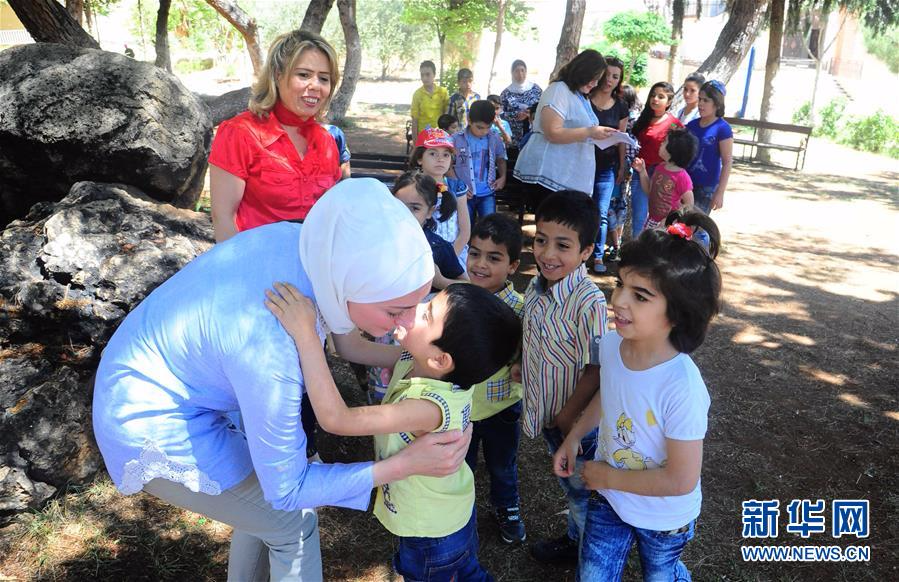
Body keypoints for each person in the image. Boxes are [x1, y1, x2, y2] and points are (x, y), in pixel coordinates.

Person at [91, 179, 473, 581]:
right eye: (397, 311)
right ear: (351, 286)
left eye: (417, 305)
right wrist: (401, 465)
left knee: (263, 513)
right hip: (150, 420)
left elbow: (347, 346)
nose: (408, 323)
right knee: (293, 524)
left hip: (157, 385)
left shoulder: (316, 248)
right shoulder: (272, 347)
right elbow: (288, 489)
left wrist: (423, 360)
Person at [266, 282, 521, 582]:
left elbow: (336, 419)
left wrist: (305, 333)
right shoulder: (420, 361)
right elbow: (352, 347)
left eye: (427, 314)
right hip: (449, 516)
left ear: (441, 360)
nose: (416, 306)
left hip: (432, 533)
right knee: (467, 573)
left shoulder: (428, 407)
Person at [553, 209, 722, 582]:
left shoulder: (682, 387)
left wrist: (608, 477)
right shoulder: (614, 345)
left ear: (678, 313)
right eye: (620, 284)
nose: (619, 300)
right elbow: (611, 394)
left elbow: (680, 479)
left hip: (664, 518)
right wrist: (575, 436)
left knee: (660, 575)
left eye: (640, 295)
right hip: (608, 499)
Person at [521, 190, 608, 563]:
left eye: (563, 245)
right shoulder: (536, 288)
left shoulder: (590, 302)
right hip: (549, 416)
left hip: (577, 426)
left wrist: (568, 418)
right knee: (571, 488)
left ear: (586, 251)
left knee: (583, 491)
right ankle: (578, 541)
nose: (548, 254)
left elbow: (598, 367)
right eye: (541, 240)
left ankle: (591, 556)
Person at [208, 30, 343, 243]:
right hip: (256, 264)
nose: (315, 85)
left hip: (314, 269)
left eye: (324, 78)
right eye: (304, 75)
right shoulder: (240, 133)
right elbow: (223, 218)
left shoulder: (326, 141)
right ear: (278, 75)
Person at [464, 213, 527, 544]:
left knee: (503, 466)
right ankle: (462, 513)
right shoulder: (458, 299)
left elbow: (528, 354)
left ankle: (507, 507)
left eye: (493, 257)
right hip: (460, 408)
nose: (480, 264)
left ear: (513, 266)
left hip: (502, 406)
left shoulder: (520, 309)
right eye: (475, 253)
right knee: (463, 468)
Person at [513, 50, 619, 201]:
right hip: (550, 175)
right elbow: (552, 132)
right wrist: (590, 132)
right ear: (582, 72)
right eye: (594, 78)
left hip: (566, 178)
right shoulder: (559, 90)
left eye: (598, 80)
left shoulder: (581, 95)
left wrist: (599, 135)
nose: (595, 84)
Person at [588, 56, 629, 274]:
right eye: (607, 74)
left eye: (615, 76)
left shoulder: (621, 106)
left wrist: (622, 166)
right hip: (582, 165)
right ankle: (578, 254)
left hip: (606, 168)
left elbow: (622, 138)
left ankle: (597, 256)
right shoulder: (585, 97)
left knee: (601, 213)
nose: (609, 80)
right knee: (582, 210)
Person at [409, 128, 471, 268]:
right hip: (418, 255)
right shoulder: (411, 187)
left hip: (454, 253)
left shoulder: (457, 187)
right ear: (419, 158)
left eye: (446, 155)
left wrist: (449, 260)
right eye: (432, 153)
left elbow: (465, 231)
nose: (440, 159)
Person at [393, 172, 466, 289]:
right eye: (398, 206)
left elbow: (468, 285)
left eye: (415, 208)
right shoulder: (380, 239)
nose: (405, 213)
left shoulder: (439, 248)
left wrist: (441, 281)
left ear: (430, 212)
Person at [630, 81, 683, 238]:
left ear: (669, 102)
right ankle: (635, 251)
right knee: (639, 216)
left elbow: (681, 150)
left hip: (662, 174)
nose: (655, 99)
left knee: (658, 217)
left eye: (661, 96)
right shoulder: (644, 118)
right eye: (653, 95)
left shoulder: (674, 124)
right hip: (641, 170)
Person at [451, 100, 508, 225]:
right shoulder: (456, 139)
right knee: (465, 227)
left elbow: (501, 158)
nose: (484, 131)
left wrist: (503, 177)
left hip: (487, 192)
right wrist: (458, 185)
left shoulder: (494, 137)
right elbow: (449, 166)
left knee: (488, 227)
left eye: (488, 127)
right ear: (469, 120)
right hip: (465, 194)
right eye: (480, 127)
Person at [633, 127, 697, 231]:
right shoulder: (660, 167)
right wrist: (642, 171)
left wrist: (673, 220)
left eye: (664, 142)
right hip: (652, 220)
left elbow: (689, 205)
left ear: (673, 150)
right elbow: (649, 191)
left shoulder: (682, 177)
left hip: (668, 226)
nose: (660, 144)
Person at [686, 80, 733, 220]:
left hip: (706, 187)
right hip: (686, 183)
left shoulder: (723, 128)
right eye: (700, 99)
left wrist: (720, 192)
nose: (700, 103)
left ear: (717, 103)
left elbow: (727, 161)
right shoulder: (691, 125)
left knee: (696, 228)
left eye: (706, 100)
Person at [500, 59, 543, 145]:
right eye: (516, 71)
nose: (520, 74)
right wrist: (516, 115)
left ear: (526, 72)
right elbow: (500, 114)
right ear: (512, 73)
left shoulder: (536, 89)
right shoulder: (506, 93)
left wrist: (531, 113)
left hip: (534, 135)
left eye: (522, 70)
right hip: (514, 137)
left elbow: (544, 107)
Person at [411, 60, 449, 136]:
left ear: (434, 74)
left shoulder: (443, 92)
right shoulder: (417, 94)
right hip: (423, 136)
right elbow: (414, 121)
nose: (424, 78)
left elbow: (447, 116)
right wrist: (415, 144)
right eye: (422, 75)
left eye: (428, 74)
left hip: (440, 136)